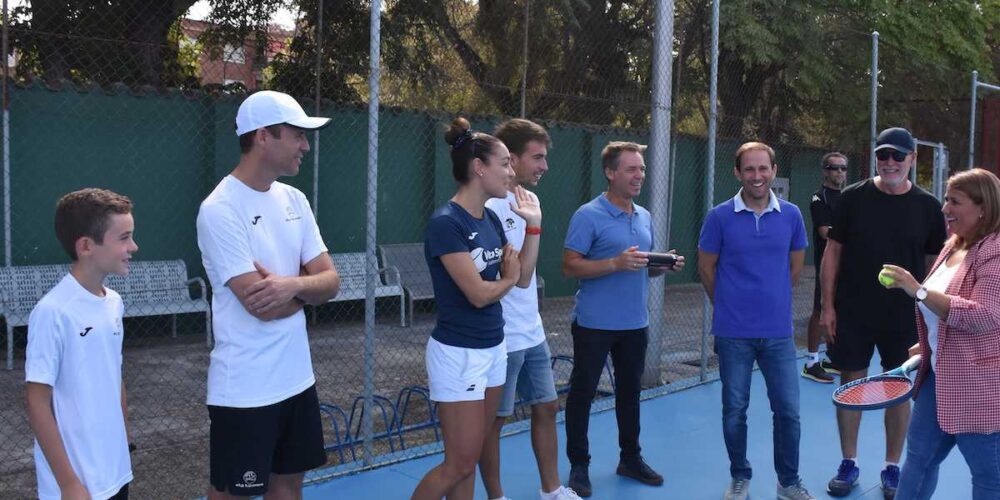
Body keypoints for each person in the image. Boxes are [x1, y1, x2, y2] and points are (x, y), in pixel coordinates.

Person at [196, 90, 341, 499]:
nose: (305, 145)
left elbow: (331, 282)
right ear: (263, 136)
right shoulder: (220, 208)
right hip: (244, 388)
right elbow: (260, 306)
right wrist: (305, 289)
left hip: (297, 379)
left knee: (289, 486)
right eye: (296, 134)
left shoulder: (295, 198)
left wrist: (291, 284)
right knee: (232, 494)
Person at [410, 117, 541, 500]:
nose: (511, 171)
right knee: (459, 463)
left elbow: (522, 276)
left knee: (470, 457)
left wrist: (533, 227)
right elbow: (479, 294)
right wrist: (504, 279)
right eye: (504, 163)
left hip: (492, 348)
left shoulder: (490, 221)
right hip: (459, 353)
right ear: (479, 168)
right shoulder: (446, 224)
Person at [820, 127, 946, 499]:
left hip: (905, 318)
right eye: (883, 155)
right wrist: (828, 306)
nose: (889, 162)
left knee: (898, 390)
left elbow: (935, 264)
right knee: (852, 385)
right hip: (854, 311)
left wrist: (930, 312)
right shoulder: (853, 198)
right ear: (876, 158)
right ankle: (848, 462)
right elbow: (833, 253)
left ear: (912, 159)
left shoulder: (927, 206)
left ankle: (892, 468)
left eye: (897, 156)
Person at [562, 141, 685, 498]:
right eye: (631, 169)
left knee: (630, 394)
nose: (639, 176)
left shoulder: (644, 216)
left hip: (634, 324)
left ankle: (630, 458)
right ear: (610, 172)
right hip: (594, 324)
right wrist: (614, 263)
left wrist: (662, 266)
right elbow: (570, 266)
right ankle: (579, 465)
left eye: (642, 169)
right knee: (582, 394)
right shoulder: (588, 215)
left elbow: (642, 271)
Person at [697, 142, 815, 500]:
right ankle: (740, 477)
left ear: (774, 170)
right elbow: (705, 268)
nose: (757, 176)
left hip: (778, 333)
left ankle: (788, 483)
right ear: (737, 173)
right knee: (734, 411)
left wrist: (771, 300)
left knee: (789, 412)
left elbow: (795, 267)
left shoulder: (792, 214)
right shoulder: (719, 217)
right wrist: (729, 304)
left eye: (763, 168)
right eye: (749, 169)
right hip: (733, 334)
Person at [880, 168, 1000, 500]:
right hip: (938, 376)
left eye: (954, 202)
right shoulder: (953, 245)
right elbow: (944, 313)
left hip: (979, 387)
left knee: (988, 476)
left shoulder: (995, 252)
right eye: (946, 199)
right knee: (918, 461)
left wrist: (917, 291)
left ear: (983, 209)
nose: (945, 209)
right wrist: (930, 344)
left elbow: (986, 314)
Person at [480, 119, 580, 500]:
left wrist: (533, 229)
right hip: (500, 336)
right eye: (537, 157)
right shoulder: (488, 206)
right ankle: (496, 496)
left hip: (531, 329)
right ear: (511, 158)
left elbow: (526, 274)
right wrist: (532, 234)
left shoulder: (530, 200)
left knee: (548, 406)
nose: (544, 166)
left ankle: (552, 490)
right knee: (495, 421)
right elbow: (518, 277)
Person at [25, 188, 138, 500]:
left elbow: (114, 375)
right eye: (124, 237)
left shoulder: (114, 302)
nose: (133, 246)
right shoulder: (53, 312)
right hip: (77, 486)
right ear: (86, 246)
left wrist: (123, 441)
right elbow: (37, 403)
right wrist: (68, 484)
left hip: (115, 472)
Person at [803, 152, 849, 383]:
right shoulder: (818, 198)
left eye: (843, 168)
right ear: (825, 171)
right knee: (820, 311)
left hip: (847, 265)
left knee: (841, 309)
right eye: (834, 168)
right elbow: (824, 231)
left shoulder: (848, 197)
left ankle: (833, 358)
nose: (839, 172)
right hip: (826, 265)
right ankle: (811, 362)